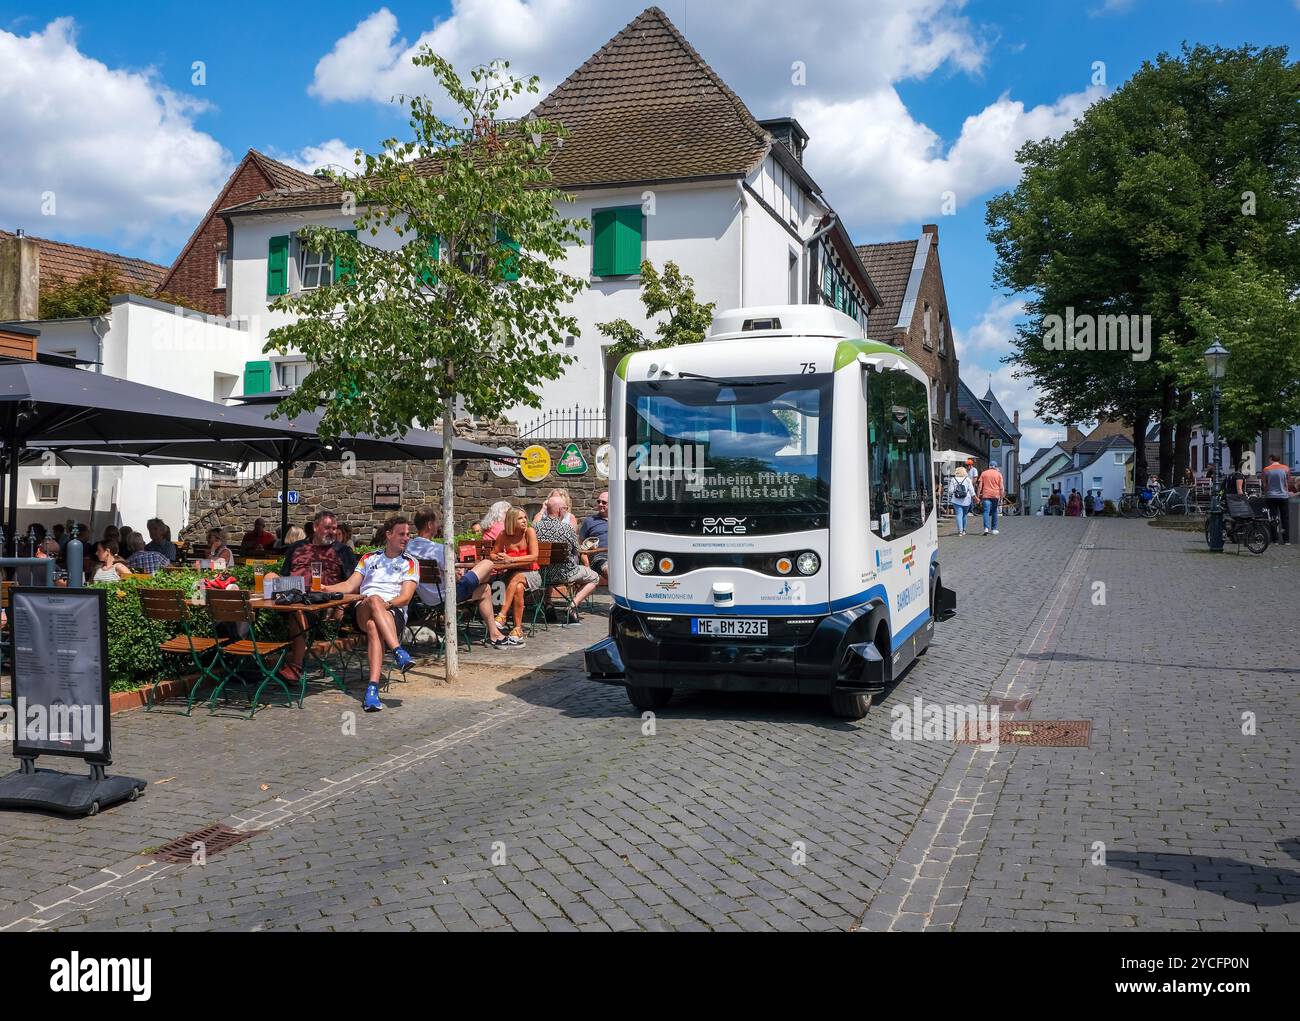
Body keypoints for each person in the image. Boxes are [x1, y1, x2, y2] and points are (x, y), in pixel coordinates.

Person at [325, 516, 419, 713]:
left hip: (392, 613)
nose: (406, 538)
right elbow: (350, 586)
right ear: (388, 535)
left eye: (408, 534)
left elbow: (406, 597)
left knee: (373, 626)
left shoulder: (410, 563)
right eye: (401, 534)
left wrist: (387, 604)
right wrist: (325, 588)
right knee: (374, 599)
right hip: (364, 608)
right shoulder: (369, 558)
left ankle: (372, 690)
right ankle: (398, 651)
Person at [407, 507, 520, 647]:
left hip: (426, 598)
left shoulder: (408, 548)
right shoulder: (438, 549)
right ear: (430, 525)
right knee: (487, 563)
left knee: (485, 589)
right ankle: (495, 632)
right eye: (437, 522)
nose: (439, 525)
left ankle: (494, 634)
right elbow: (456, 578)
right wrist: (460, 574)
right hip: (447, 596)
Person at [274, 509, 359, 682]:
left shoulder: (342, 551)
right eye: (327, 528)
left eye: (334, 528)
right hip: (289, 598)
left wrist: (342, 605)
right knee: (269, 577)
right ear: (315, 527)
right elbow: (283, 576)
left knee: (297, 612)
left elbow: (354, 585)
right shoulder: (297, 548)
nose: (332, 532)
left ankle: (295, 667)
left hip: (319, 605)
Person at [535, 494, 601, 624]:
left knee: (550, 567)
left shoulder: (535, 528)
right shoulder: (567, 529)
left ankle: (548, 604)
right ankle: (572, 606)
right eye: (565, 508)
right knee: (594, 577)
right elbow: (577, 550)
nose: (566, 511)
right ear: (560, 510)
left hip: (542, 574)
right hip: (565, 573)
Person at [492, 507, 539, 642]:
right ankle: (518, 629)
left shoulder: (529, 532)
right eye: (520, 518)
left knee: (517, 577)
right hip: (510, 575)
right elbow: (493, 554)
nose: (525, 521)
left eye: (525, 517)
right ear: (512, 520)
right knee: (518, 587)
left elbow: (534, 557)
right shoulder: (503, 535)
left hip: (531, 574)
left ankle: (502, 614)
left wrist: (512, 559)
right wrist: (500, 557)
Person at [578, 491, 610, 581]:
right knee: (610, 571)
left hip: (620, 555)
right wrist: (587, 565)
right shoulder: (590, 521)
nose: (600, 504)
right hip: (600, 557)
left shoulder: (621, 520)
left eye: (604, 502)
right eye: (598, 501)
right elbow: (580, 545)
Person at [1261, 453, 1291, 545]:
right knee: (1284, 518)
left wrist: (1266, 491)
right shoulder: (1286, 468)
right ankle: (1286, 540)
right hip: (1283, 496)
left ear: (1271, 459)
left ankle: (1275, 540)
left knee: (1273, 518)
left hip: (1271, 496)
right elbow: (1287, 482)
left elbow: (1265, 485)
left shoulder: (1266, 469)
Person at [975, 460, 1004, 535]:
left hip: (986, 495)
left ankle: (986, 528)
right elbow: (1001, 487)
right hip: (995, 495)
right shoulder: (999, 474)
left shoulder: (984, 473)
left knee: (986, 512)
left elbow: (979, 486)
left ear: (989, 466)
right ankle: (994, 529)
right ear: (996, 467)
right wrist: (1001, 497)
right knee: (994, 511)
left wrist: (977, 497)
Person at [947, 467, 974, 536]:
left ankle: (960, 531)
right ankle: (964, 530)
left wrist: (956, 491)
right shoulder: (968, 479)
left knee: (959, 514)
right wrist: (975, 497)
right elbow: (971, 490)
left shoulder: (953, 479)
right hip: (966, 500)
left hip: (956, 500)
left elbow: (950, 491)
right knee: (964, 515)